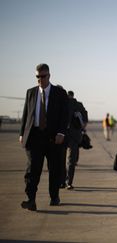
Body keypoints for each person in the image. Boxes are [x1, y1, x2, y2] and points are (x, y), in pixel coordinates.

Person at [19, 63, 69, 211]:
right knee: (32, 169)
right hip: (34, 136)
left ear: (49, 75)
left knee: (54, 169)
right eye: (37, 77)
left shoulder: (59, 93)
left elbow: (64, 115)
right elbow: (26, 114)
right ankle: (31, 199)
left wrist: (61, 133)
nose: (40, 79)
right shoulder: (31, 92)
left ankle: (54, 196)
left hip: (53, 137)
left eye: (43, 76)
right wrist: (22, 133)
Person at [64, 90, 88, 190]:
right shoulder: (79, 104)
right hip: (74, 135)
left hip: (63, 135)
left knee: (63, 160)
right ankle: (68, 182)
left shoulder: (61, 103)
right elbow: (85, 119)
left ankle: (64, 181)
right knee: (71, 160)